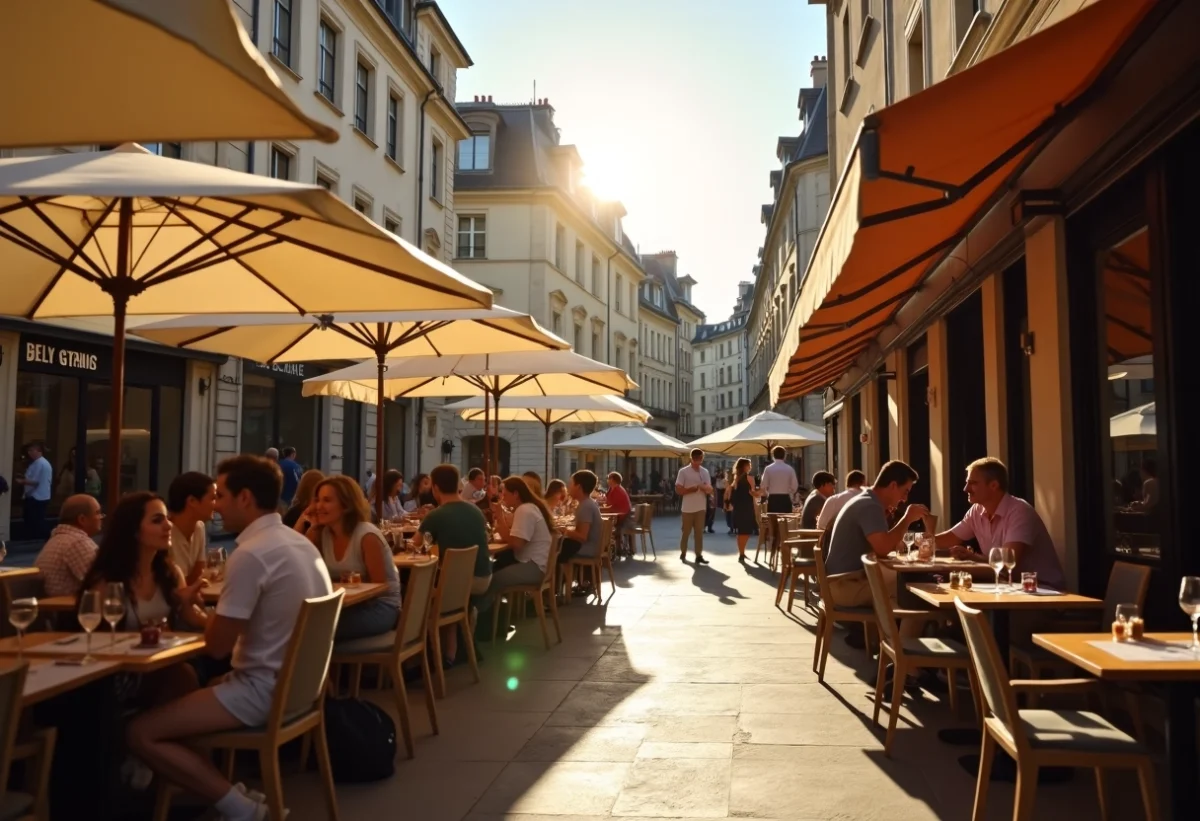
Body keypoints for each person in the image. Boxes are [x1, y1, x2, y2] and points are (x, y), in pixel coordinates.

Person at [126, 455, 332, 821]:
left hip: (261, 692)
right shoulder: (302, 545)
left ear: (245, 498)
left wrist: (194, 614)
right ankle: (218, 790)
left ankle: (241, 808)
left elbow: (217, 646)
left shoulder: (252, 554)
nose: (216, 506)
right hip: (302, 688)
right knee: (185, 687)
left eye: (221, 496)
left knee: (141, 733)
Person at [83, 492, 208, 712]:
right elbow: (95, 638)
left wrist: (193, 610)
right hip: (120, 675)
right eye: (157, 520)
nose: (169, 526)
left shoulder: (169, 573)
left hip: (160, 665)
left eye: (167, 518)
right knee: (183, 676)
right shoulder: (108, 581)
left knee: (191, 673)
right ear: (133, 531)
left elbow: (193, 619)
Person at [933, 457, 1066, 590]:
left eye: (972, 483)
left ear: (994, 485)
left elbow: (1006, 564)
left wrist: (965, 562)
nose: (965, 489)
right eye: (967, 482)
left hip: (1042, 591)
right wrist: (918, 540)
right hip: (1007, 586)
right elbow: (946, 540)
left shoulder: (1019, 511)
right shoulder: (977, 510)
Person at [299, 475, 401, 640]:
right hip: (347, 606)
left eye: (326, 500)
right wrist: (306, 522)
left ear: (346, 505)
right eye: (317, 500)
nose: (318, 506)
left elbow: (380, 587)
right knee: (299, 623)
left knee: (311, 627)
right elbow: (296, 560)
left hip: (381, 608)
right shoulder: (321, 534)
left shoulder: (366, 535)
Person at [824, 460, 930, 606]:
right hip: (845, 586)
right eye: (905, 491)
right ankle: (898, 629)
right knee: (916, 589)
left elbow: (883, 548)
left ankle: (891, 627)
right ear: (893, 485)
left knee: (909, 581)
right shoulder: (870, 506)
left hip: (842, 581)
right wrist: (907, 518)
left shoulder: (866, 500)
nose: (905, 498)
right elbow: (884, 549)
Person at [419, 464, 493, 666]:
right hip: (483, 575)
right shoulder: (475, 510)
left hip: (462, 582)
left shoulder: (436, 515)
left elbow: (418, 547)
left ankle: (423, 656)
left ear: (435, 488)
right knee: (448, 594)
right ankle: (451, 654)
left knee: (417, 596)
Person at [480, 477, 554, 631]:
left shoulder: (524, 510)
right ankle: (496, 623)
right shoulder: (530, 508)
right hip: (537, 564)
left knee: (488, 580)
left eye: (505, 494)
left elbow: (517, 544)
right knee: (498, 565)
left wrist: (499, 517)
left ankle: (485, 626)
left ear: (516, 494)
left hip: (532, 567)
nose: (502, 497)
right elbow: (515, 539)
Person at [35, 494, 103, 597]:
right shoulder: (77, 543)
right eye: (97, 513)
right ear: (82, 519)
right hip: (70, 610)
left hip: (56, 609)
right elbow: (103, 583)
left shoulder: (59, 540)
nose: (101, 517)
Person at [167, 472, 216, 585]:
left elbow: (197, 575)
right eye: (213, 498)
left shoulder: (199, 527)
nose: (217, 504)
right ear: (192, 501)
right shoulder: (165, 532)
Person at [675, 448, 712, 565]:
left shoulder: (704, 472)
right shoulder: (683, 471)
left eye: (700, 458)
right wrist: (692, 489)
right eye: (696, 458)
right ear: (691, 458)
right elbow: (678, 490)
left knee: (699, 532)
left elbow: (709, 489)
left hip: (701, 506)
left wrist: (706, 489)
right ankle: (683, 552)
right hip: (687, 508)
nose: (698, 461)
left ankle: (698, 555)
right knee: (686, 532)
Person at [558, 470, 601, 565]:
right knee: (560, 544)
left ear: (578, 487)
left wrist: (563, 530)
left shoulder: (586, 506)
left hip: (587, 548)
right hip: (592, 546)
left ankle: (557, 578)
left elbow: (582, 537)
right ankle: (564, 578)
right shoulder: (587, 503)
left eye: (571, 484)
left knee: (555, 548)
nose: (568, 487)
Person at [18, 443, 52, 539]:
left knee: (37, 519)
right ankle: (37, 537)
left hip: (36, 496)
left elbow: (35, 481)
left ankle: (46, 537)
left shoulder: (39, 464)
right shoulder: (41, 463)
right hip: (40, 495)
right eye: (29, 451)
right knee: (35, 518)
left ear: (38, 451)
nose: (29, 453)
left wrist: (22, 481)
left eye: (31, 451)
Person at [729, 458, 760, 562]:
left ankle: (741, 553)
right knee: (746, 532)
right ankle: (742, 553)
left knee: (741, 532)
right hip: (747, 507)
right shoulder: (750, 478)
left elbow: (732, 493)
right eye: (749, 465)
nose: (750, 467)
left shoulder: (735, 479)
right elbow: (753, 492)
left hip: (738, 508)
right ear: (744, 466)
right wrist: (761, 492)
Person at [759, 446, 799, 515]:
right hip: (785, 498)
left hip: (772, 498)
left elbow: (763, 485)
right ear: (784, 456)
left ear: (773, 455)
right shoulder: (790, 469)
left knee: (773, 522)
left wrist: (767, 493)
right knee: (786, 522)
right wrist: (789, 492)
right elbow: (794, 486)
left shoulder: (768, 469)